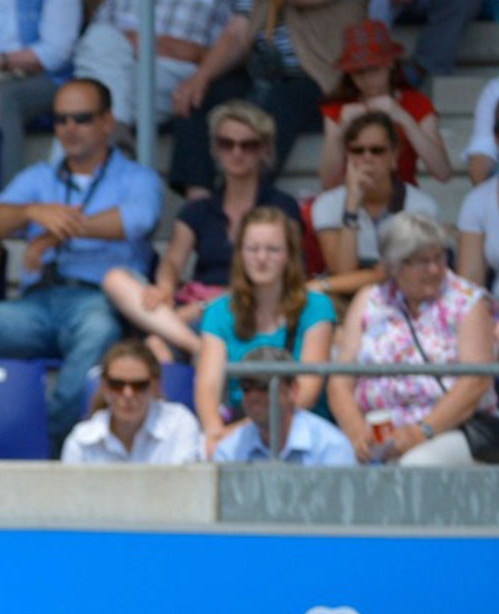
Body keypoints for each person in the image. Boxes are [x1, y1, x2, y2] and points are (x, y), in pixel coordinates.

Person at [0, 78, 163, 448]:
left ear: (107, 122)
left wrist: (55, 232)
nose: (69, 128)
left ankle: (47, 440)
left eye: (81, 118)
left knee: (99, 332)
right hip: (35, 305)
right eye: (61, 119)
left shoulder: (137, 177)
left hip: (96, 299)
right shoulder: (39, 177)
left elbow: (138, 219)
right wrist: (32, 210)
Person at [105, 101, 301, 358]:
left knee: (158, 343)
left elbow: (291, 271)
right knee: (116, 281)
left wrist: (205, 306)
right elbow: (173, 260)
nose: (237, 152)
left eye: (248, 145)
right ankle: (200, 350)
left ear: (264, 150)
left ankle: (198, 349)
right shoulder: (198, 209)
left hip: (256, 307)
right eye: (226, 144)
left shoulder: (281, 206)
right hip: (197, 307)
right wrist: (164, 286)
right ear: (215, 150)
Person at [328, 212, 498, 466]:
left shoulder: (466, 303)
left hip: (449, 428)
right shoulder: (370, 301)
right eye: (422, 261)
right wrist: (356, 432)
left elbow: (475, 382)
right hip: (377, 429)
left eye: (439, 257)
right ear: (394, 265)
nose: (434, 269)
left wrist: (421, 432)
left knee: (417, 465)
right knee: (333, 458)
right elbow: (340, 381)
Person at [163, 0, 358, 197]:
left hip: (318, 80)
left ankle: (240, 206)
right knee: (198, 99)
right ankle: (199, 205)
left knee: (277, 108)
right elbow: (237, 34)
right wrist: (200, 78)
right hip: (261, 75)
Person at [193, 207, 336, 450]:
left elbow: (307, 391)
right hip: (241, 425)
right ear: (240, 254)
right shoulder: (218, 312)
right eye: (252, 249)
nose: (261, 258)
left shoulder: (316, 307)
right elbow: (208, 384)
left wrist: (240, 433)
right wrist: (214, 432)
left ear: (289, 255)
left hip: (301, 429)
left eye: (273, 249)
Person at [312, 20, 448, 191]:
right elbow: (328, 183)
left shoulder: (416, 103)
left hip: (402, 197)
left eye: (373, 69)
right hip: (353, 195)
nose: (366, 79)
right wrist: (340, 130)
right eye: (358, 72)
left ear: (390, 64)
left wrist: (404, 118)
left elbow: (442, 172)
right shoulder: (338, 108)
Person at [311, 111, 434, 299]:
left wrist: (323, 284)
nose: (367, 158)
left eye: (377, 150)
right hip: (347, 301)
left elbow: (394, 274)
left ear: (394, 154)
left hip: (405, 299)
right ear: (347, 155)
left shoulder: (421, 206)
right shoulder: (327, 204)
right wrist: (352, 203)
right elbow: (343, 274)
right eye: (357, 150)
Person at [69, 0, 232, 129]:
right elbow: (96, 42)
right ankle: (116, 131)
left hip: (175, 71)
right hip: (115, 66)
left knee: (81, 108)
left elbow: (241, 47)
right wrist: (133, 43)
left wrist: (186, 50)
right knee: (99, 39)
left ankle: (68, 165)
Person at [0, 0, 78, 182]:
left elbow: (56, 53)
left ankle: (9, 195)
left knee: (0, 97)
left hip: (43, 79)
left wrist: (1, 61)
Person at [61, 340, 204, 463]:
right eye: (117, 384)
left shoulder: (179, 425)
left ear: (155, 386)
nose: (128, 394)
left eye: (139, 385)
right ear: (104, 386)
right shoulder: (80, 441)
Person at [213, 345, 356, 464]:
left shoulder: (331, 447)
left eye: (264, 386)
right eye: (246, 386)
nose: (254, 395)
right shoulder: (229, 451)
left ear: (293, 389)